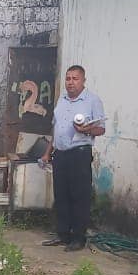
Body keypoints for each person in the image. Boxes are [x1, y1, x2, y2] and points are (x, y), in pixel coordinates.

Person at [40, 64, 106, 252]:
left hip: (79, 154)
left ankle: (78, 238)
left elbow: (101, 129)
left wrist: (87, 130)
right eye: (68, 78)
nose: (70, 82)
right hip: (60, 154)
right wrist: (47, 152)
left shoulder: (92, 101)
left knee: (79, 196)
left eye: (75, 79)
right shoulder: (62, 100)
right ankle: (63, 234)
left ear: (83, 80)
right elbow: (56, 128)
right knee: (61, 196)